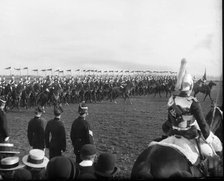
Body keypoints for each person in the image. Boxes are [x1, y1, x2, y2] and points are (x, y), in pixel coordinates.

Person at [162, 59, 222, 159]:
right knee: (214, 152)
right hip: (189, 135)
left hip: (173, 133)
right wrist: (209, 138)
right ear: (191, 86)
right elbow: (202, 124)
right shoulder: (194, 103)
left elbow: (169, 120)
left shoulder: (172, 99)